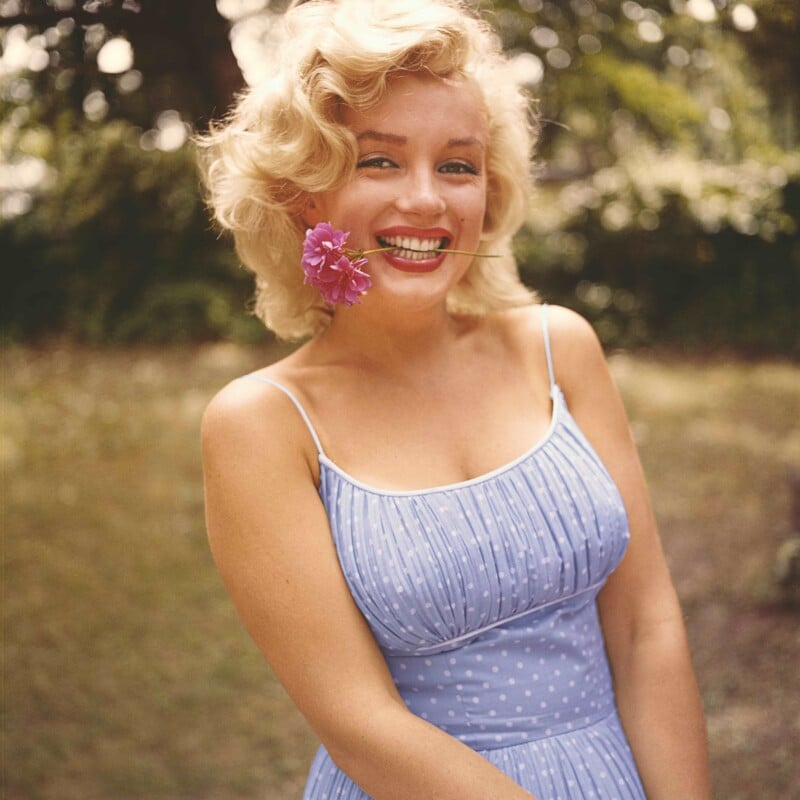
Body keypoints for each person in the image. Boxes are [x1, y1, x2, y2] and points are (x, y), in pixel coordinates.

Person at [197, 1, 712, 797]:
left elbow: (647, 625)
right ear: (306, 197)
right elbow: (358, 722)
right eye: (379, 161)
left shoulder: (558, 349)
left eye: (457, 166)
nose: (427, 201)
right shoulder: (262, 424)